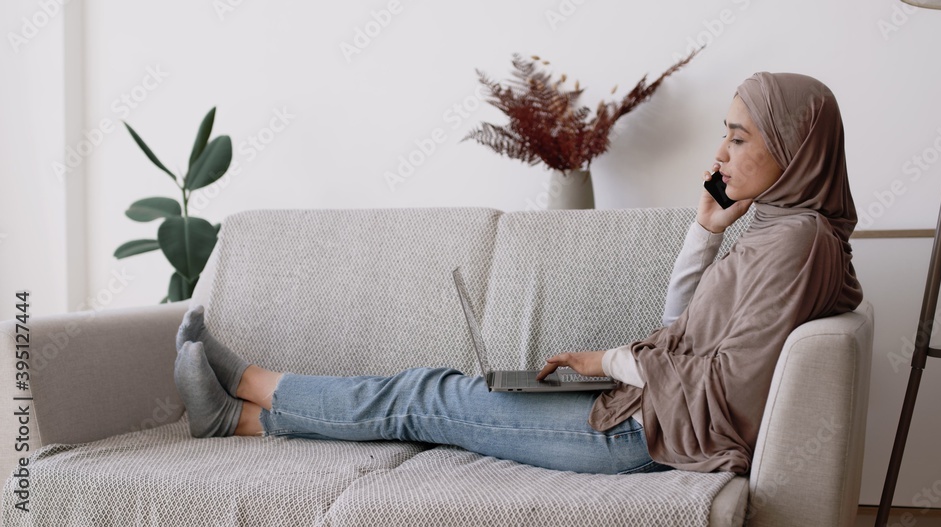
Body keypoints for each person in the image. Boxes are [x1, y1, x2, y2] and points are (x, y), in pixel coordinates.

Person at [172, 71, 863, 476]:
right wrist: (706, 233)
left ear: (798, 149)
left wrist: (609, 360)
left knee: (427, 396)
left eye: (740, 138)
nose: (721, 151)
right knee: (437, 391)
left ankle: (245, 389)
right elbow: (680, 332)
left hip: (643, 435)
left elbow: (731, 385)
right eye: (726, 132)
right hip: (646, 415)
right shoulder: (779, 227)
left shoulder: (798, 243)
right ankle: (238, 415)